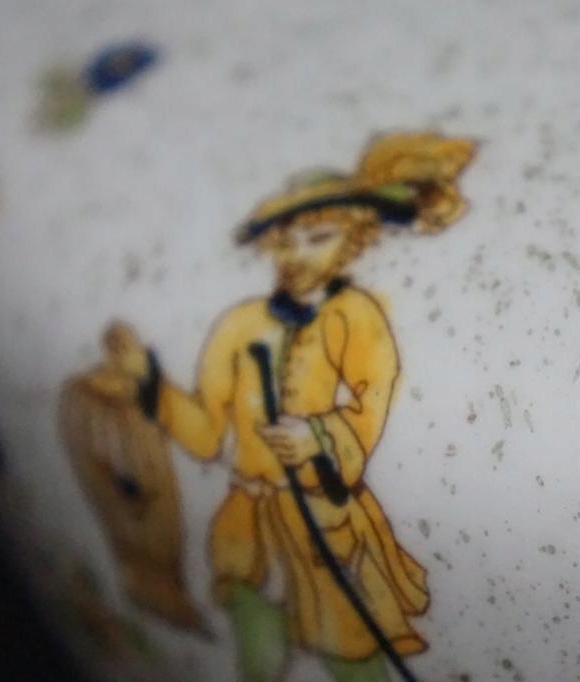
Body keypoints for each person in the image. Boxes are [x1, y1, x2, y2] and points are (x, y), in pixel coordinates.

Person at [97, 132, 476, 681]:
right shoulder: (239, 324)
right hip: (250, 520)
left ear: (355, 240)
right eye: (287, 240)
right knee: (258, 655)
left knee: (351, 654)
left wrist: (319, 437)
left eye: (319, 238)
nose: (299, 255)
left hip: (326, 517)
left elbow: (371, 403)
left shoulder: (356, 316)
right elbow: (206, 435)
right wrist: (149, 381)